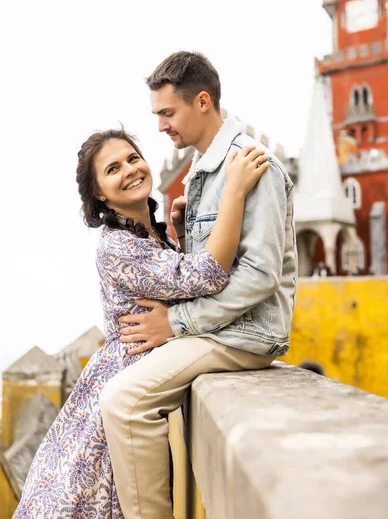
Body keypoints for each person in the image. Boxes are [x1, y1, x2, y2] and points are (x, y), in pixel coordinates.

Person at [12, 129, 268, 518]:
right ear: (99, 193)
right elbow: (209, 275)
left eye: (133, 158)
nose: (129, 170)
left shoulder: (150, 234)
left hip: (138, 370)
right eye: (113, 169)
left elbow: (180, 284)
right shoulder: (117, 244)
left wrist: (180, 235)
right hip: (125, 378)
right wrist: (234, 192)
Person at [100, 51, 298, 519]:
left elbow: (260, 276)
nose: (162, 127)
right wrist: (186, 237)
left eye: (168, 113)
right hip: (223, 329)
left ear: (203, 102)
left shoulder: (253, 165)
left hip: (247, 334)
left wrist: (175, 322)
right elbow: (214, 268)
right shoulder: (206, 171)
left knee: (124, 401)